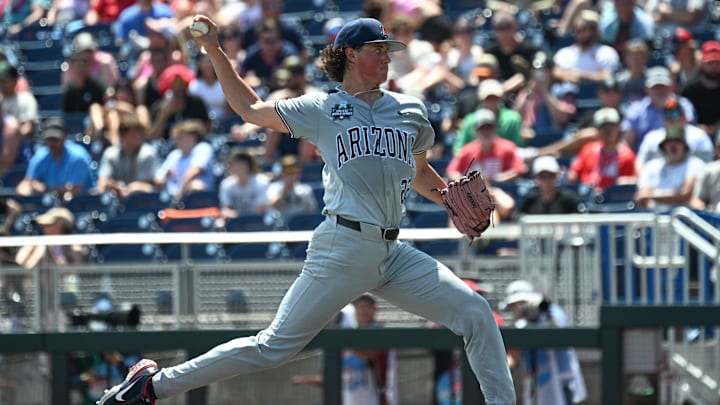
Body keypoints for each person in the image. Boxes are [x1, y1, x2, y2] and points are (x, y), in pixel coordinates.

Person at [97, 15, 515, 405]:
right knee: (273, 347)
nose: (388, 56)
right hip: (343, 245)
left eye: (389, 49)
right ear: (350, 54)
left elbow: (420, 171)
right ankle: (153, 385)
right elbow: (248, 109)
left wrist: (448, 200)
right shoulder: (323, 109)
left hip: (393, 252)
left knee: (475, 311)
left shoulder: (410, 109)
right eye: (378, 48)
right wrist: (215, 51)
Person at [502, 280, 587, 405]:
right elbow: (514, 356)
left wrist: (544, 313)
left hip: (563, 383)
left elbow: (561, 332)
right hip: (537, 387)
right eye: (514, 305)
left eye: (521, 303)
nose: (518, 308)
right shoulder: (521, 324)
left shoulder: (552, 312)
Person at [16, 118, 95, 198]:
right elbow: (27, 182)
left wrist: (46, 189)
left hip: (80, 204)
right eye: (49, 139)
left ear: (64, 138)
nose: (51, 143)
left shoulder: (78, 157)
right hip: (52, 204)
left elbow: (75, 190)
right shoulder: (41, 155)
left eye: (55, 139)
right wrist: (26, 189)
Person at [634, 125, 706, 211]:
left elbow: (685, 194)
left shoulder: (695, 164)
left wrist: (652, 196)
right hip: (654, 217)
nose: (673, 145)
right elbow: (643, 195)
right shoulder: (651, 166)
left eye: (677, 141)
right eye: (669, 142)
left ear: (684, 146)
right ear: (663, 146)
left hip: (683, 218)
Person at [567, 107, 637, 192]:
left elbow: (635, 181)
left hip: (612, 200)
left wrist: (626, 181)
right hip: (587, 196)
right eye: (603, 127)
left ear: (618, 128)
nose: (608, 131)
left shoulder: (627, 155)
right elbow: (573, 174)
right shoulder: (588, 149)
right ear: (597, 130)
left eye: (611, 126)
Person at [96, 114, 160, 199]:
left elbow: (149, 186)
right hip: (116, 199)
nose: (137, 137)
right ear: (122, 136)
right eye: (133, 134)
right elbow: (102, 182)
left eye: (139, 134)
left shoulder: (148, 153)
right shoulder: (110, 153)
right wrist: (115, 186)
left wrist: (132, 188)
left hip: (143, 200)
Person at [218, 149, 270, 219]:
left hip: (260, 223)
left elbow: (261, 209)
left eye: (233, 163)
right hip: (237, 225)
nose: (229, 166)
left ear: (245, 165)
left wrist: (236, 215)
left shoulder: (262, 181)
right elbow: (226, 209)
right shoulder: (226, 184)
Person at [266, 155, 318, 225]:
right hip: (281, 225)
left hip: (301, 225)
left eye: (293, 173)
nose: (291, 176)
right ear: (282, 174)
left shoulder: (305, 189)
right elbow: (273, 206)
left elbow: (312, 211)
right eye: (288, 173)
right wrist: (285, 190)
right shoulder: (275, 187)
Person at [690, 134, 720, 213]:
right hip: (715, 220)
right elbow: (696, 199)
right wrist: (700, 207)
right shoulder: (710, 170)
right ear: (717, 150)